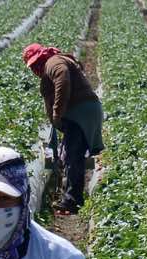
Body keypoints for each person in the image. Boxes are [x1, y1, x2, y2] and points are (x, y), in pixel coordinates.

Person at [23, 43, 104, 214]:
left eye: (36, 63)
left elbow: (63, 78)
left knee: (73, 155)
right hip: (81, 112)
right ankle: (72, 197)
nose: (35, 69)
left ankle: (72, 200)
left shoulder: (53, 62)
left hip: (81, 112)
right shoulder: (52, 65)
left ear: (42, 57)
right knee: (70, 155)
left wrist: (57, 112)